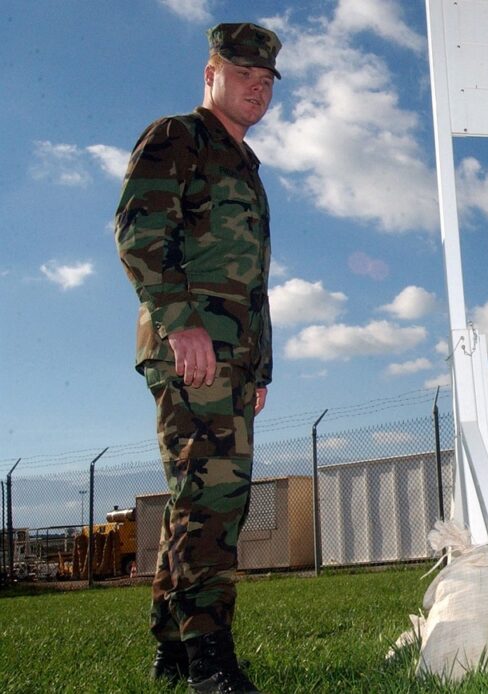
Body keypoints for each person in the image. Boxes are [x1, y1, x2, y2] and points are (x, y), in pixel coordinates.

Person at [115, 22, 281, 694]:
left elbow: (252, 282)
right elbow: (139, 230)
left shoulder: (246, 167)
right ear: (210, 72)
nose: (258, 89)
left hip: (232, 361)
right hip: (193, 349)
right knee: (214, 505)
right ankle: (210, 661)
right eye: (245, 75)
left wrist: (259, 368)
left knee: (201, 501)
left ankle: (175, 650)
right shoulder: (179, 137)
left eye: (267, 81)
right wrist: (181, 323)